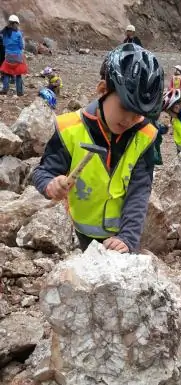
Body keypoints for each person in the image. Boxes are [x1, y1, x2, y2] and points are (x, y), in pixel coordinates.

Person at [32, 43, 164, 253]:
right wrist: (50, 185)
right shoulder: (70, 129)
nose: (130, 120)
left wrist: (128, 239)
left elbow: (139, 191)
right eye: (126, 108)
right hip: (81, 233)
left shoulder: (144, 136)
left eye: (139, 113)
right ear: (103, 89)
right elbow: (43, 171)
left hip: (121, 235)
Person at [0, 15, 27, 96]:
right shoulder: (18, 33)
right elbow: (21, 46)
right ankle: (20, 92)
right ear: (16, 23)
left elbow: (4, 44)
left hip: (8, 56)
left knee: (6, 72)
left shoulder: (4, 33)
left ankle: (5, 89)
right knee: (18, 74)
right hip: (18, 56)